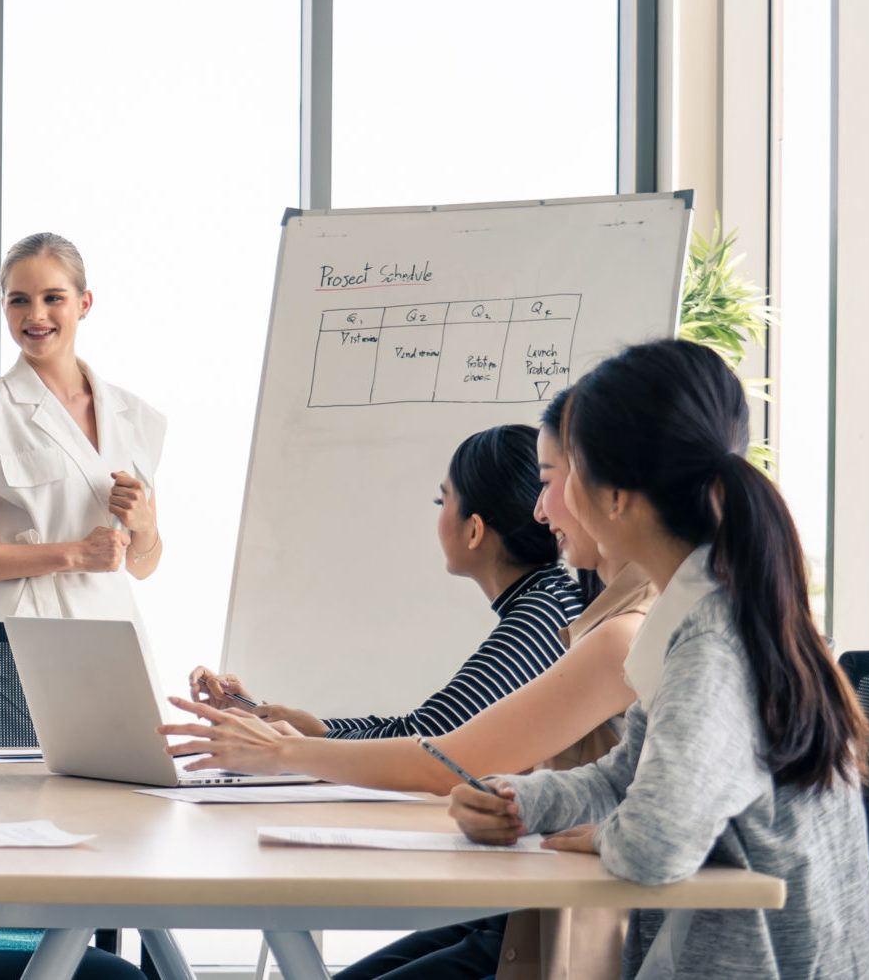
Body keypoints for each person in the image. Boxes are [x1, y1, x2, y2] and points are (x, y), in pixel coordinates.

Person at [163, 391, 654, 979]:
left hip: (559, 926)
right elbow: (453, 744)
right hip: (528, 903)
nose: (543, 512)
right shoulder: (574, 612)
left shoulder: (573, 621)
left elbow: (445, 752)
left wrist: (285, 750)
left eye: (552, 484)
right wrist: (301, 727)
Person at [450, 339, 869, 979]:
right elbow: (626, 775)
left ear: (617, 496)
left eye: (568, 471)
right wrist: (521, 801)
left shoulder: (712, 644)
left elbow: (652, 844)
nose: (551, 501)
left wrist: (604, 834)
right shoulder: (708, 611)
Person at [189, 424, 585, 741]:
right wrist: (310, 729)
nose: (439, 515)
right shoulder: (549, 601)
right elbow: (426, 727)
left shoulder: (544, 615)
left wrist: (293, 742)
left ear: (474, 530)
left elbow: (428, 741)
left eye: (442, 501)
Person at [0, 232, 166, 622]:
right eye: (19, 300)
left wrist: (144, 525)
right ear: (4, 307)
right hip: (12, 639)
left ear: (83, 304)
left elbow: (142, 565)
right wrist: (73, 554)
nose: (36, 315)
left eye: (53, 298)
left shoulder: (133, 417)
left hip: (109, 629)